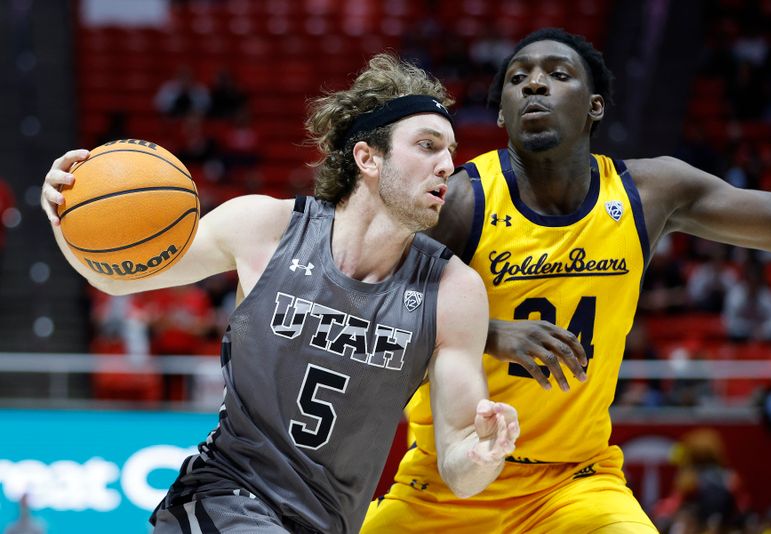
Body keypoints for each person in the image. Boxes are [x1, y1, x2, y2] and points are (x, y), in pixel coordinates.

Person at [41, 55, 520, 533]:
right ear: (367, 157)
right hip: (223, 494)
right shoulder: (264, 228)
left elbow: (460, 467)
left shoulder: (453, 292)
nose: (447, 166)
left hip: (325, 521)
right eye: (427, 146)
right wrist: (67, 219)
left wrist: (482, 455)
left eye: (450, 150)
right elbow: (120, 276)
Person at [362, 28, 771, 532]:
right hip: (448, 479)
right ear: (502, 112)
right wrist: (490, 333)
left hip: (575, 481)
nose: (534, 84)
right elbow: (372, 312)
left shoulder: (650, 192)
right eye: (518, 78)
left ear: (594, 106)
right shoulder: (461, 201)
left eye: (558, 74)